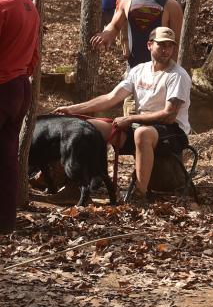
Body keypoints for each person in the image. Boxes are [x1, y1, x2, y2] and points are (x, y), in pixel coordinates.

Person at [55, 27, 191, 203]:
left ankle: (139, 194)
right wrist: (72, 109)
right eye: (161, 45)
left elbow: (168, 115)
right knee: (86, 128)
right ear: (150, 45)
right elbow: (111, 97)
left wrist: (130, 118)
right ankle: (76, 186)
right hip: (140, 126)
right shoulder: (139, 70)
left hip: (172, 132)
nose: (166, 50)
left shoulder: (178, 75)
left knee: (143, 134)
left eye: (170, 46)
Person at [0, 0, 40, 234]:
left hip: (3, 86)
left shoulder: (3, 7)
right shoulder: (31, 8)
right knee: (7, 159)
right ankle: (5, 223)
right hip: (19, 88)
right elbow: (34, 58)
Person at [92, 0, 184, 69]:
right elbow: (115, 26)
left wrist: (170, 71)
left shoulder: (172, 6)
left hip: (160, 72)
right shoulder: (127, 0)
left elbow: (177, 41)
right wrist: (105, 35)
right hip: (134, 69)